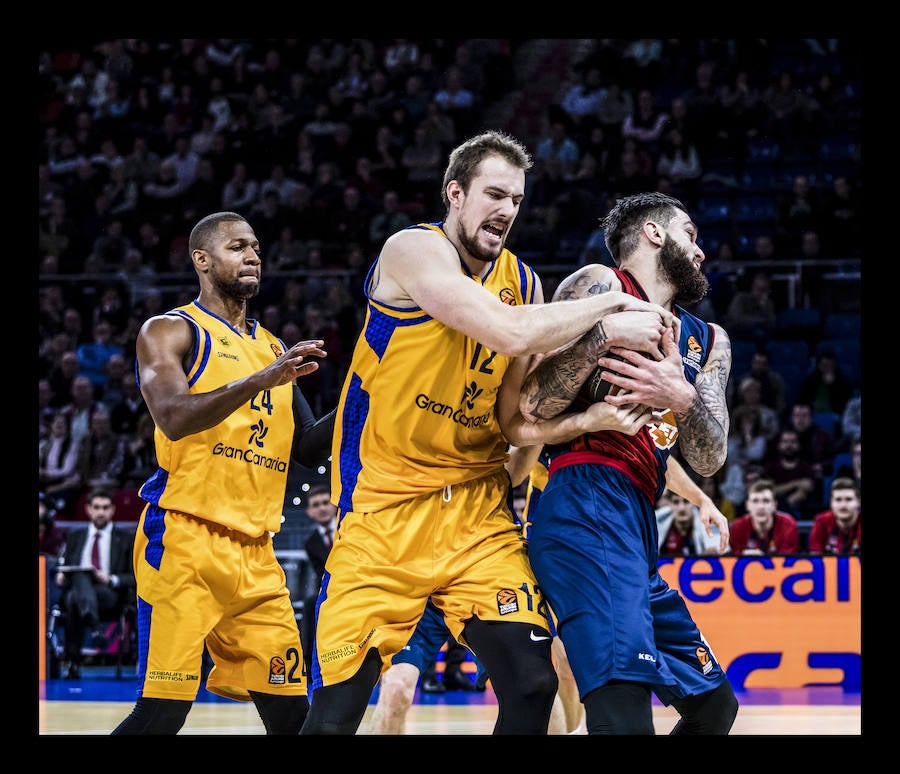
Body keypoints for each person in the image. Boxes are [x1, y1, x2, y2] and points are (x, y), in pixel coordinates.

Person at [301, 131, 676, 736]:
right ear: (455, 193)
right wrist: (612, 310)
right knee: (335, 715)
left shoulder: (524, 283)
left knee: (533, 685)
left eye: (518, 200)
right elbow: (508, 332)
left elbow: (514, 421)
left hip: (476, 511)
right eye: (495, 194)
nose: (507, 210)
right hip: (383, 507)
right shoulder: (412, 251)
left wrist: (588, 420)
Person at [513, 191, 739, 735]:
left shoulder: (709, 340)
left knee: (714, 707)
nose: (701, 250)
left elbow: (710, 458)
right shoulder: (601, 286)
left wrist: (680, 395)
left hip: (638, 520)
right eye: (691, 233)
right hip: (583, 501)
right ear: (654, 234)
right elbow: (531, 402)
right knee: (622, 706)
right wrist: (606, 336)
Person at [111, 211, 334, 735]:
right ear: (203, 260)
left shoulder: (272, 347)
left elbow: (305, 448)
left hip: (256, 553)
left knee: (290, 714)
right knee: (163, 711)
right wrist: (263, 380)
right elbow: (174, 415)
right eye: (238, 246)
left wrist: (367, 393)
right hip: (184, 540)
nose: (253, 255)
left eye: (256, 246)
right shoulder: (170, 329)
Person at [54, 488, 136, 680]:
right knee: (79, 581)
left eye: (105, 508)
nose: (101, 512)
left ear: (113, 510)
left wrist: (111, 579)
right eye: (96, 507)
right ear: (88, 509)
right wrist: (60, 575)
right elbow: (65, 566)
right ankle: (95, 626)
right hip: (77, 593)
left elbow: (135, 576)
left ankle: (74, 661)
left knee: (76, 596)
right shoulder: (75, 536)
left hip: (109, 594)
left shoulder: (125, 539)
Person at [300, 483, 337, 677]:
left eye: (325, 502)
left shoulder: (347, 527)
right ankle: (309, 664)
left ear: (333, 505)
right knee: (310, 604)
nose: (322, 508)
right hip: (331, 588)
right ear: (309, 511)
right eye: (316, 505)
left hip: (359, 581)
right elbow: (319, 572)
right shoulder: (310, 543)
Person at [728, 478, 800, 555]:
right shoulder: (738, 527)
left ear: (774, 505)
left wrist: (761, 560)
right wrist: (745, 558)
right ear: (747, 505)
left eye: (766, 501)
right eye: (755, 501)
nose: (761, 506)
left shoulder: (788, 524)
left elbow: (787, 560)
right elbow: (733, 558)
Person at [807, 476, 861, 555]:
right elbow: (815, 559)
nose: (843, 505)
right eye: (838, 500)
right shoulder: (821, 521)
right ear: (831, 503)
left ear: (858, 502)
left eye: (849, 499)